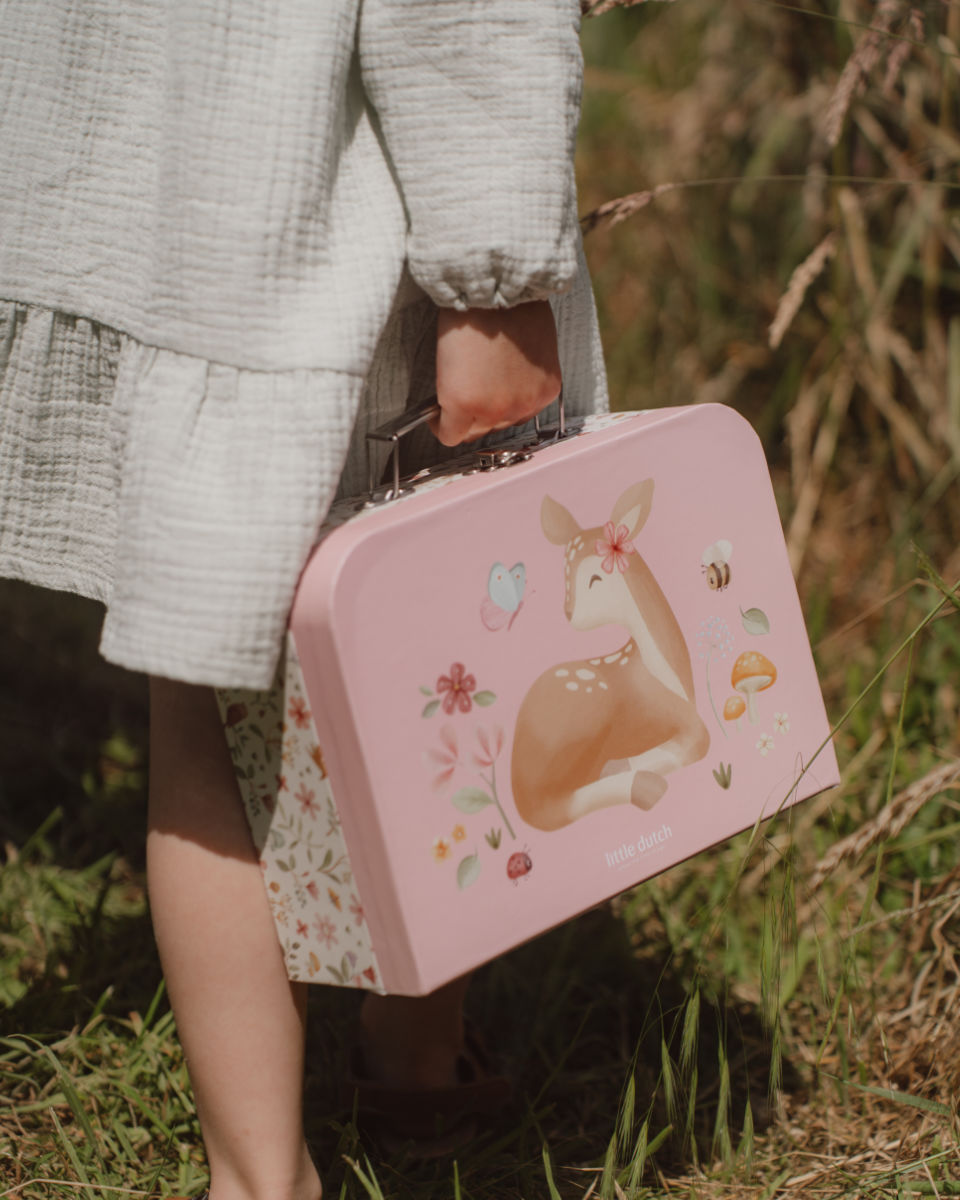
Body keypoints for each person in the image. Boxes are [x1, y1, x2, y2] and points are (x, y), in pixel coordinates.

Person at [0, 2, 608, 1196]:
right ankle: (413, 1059)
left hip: (167, 218)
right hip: (349, 222)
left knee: (207, 710)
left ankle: (263, 1173)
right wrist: (493, 281)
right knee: (445, 657)